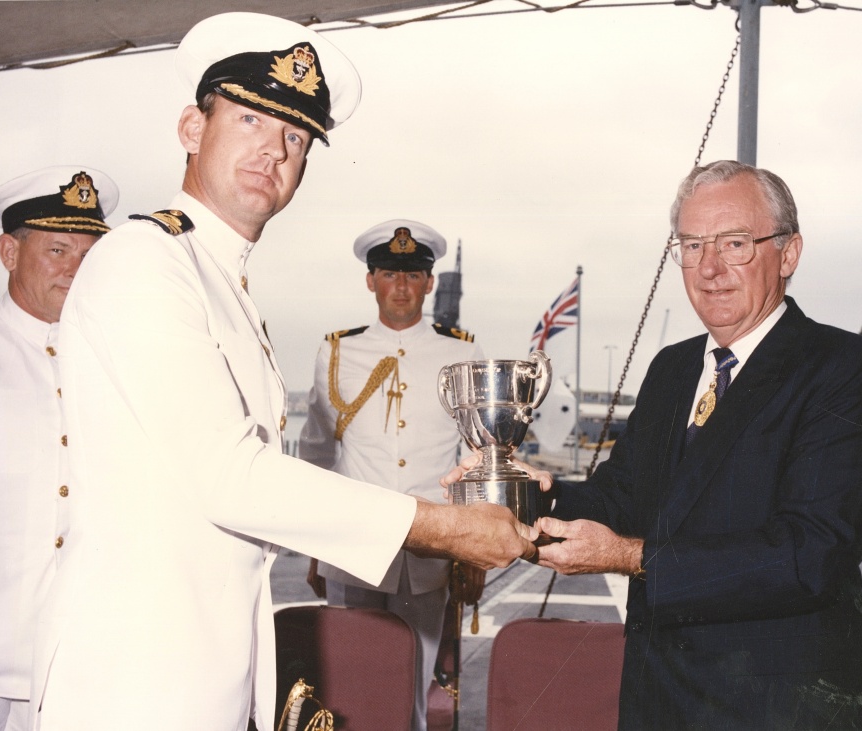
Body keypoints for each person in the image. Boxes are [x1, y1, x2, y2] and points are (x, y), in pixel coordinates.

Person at [28, 13, 536, 731]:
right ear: (190, 128)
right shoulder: (144, 260)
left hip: (206, 671)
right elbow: (229, 475)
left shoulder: (220, 282)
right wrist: (446, 528)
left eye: (295, 137)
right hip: (131, 678)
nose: (273, 150)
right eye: (248, 121)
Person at [445, 160, 862, 729]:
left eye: (735, 243)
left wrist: (627, 557)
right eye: (691, 245)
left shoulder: (850, 371)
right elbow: (623, 497)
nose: (709, 268)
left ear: (788, 254)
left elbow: (810, 553)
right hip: (657, 697)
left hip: (774, 710)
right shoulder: (672, 368)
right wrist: (523, 492)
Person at [299, 219, 485, 730]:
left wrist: (472, 551)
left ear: (429, 282)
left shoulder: (461, 352)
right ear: (370, 281)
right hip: (352, 550)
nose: (400, 287)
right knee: (348, 689)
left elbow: (475, 456)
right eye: (387, 274)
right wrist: (317, 546)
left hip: (427, 556)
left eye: (412, 275)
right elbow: (316, 452)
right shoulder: (337, 352)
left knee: (413, 694)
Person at [0, 166, 118, 731]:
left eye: (88, 254)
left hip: (84, 659)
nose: (75, 269)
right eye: (59, 249)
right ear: (9, 252)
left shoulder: (115, 362)